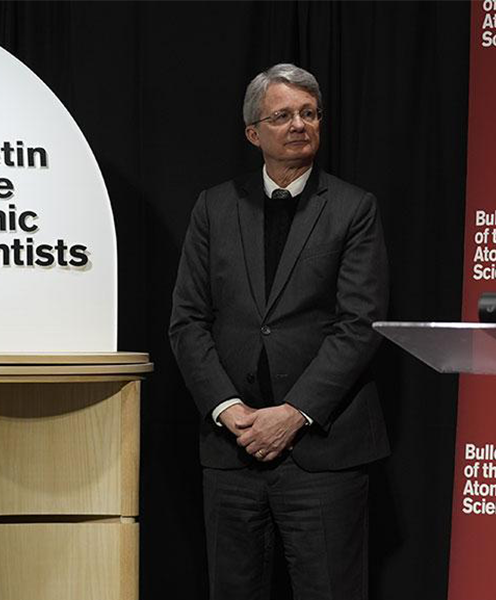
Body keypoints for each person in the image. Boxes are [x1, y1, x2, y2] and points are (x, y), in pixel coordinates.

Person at [169, 63, 389, 600]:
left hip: (321, 449)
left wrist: (293, 415)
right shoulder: (214, 206)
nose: (299, 125)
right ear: (253, 133)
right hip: (232, 447)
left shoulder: (354, 207)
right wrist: (227, 408)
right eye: (284, 115)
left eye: (309, 114)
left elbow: (360, 325)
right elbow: (187, 320)